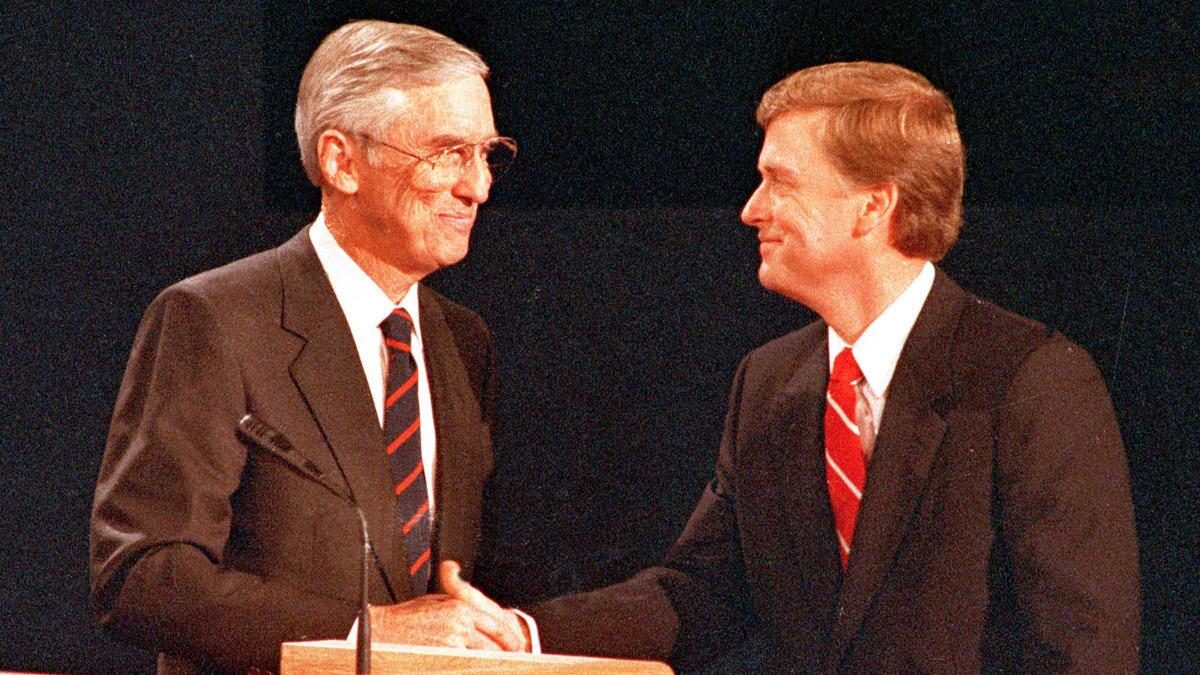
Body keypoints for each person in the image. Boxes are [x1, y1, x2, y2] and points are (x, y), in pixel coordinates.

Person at [522, 62, 1141, 671]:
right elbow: (702, 594)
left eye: (779, 181)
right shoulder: (768, 383)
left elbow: (1085, 651)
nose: (751, 209)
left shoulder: (1030, 378)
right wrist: (522, 631)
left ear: (872, 207)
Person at [90, 20, 531, 673]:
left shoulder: (463, 342)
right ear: (340, 161)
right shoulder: (217, 319)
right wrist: (366, 632)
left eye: (486, 153)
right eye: (446, 153)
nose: (478, 187)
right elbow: (143, 573)